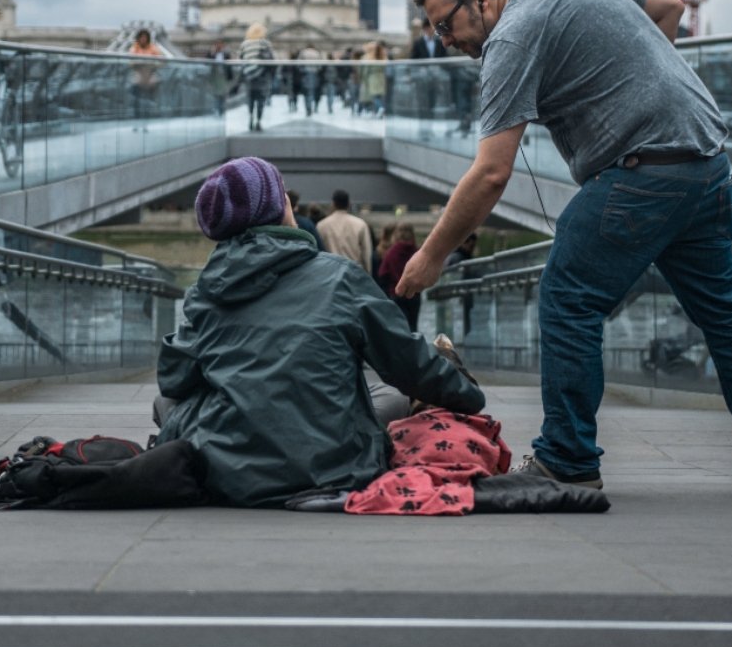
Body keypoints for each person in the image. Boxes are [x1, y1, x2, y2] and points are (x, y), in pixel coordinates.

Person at [396, 0, 732, 496]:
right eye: (435, 34)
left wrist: (429, 256)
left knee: (568, 296)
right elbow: (668, 6)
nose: (444, 42)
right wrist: (637, 90)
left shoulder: (511, 36)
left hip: (642, 173)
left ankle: (567, 459)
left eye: (446, 26)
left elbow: (492, 173)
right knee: (727, 313)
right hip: (707, 166)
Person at [153, 156, 485, 507]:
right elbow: (408, 362)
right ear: (280, 206)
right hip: (336, 466)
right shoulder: (341, 276)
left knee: (165, 403)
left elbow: (173, 381)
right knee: (390, 396)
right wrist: (469, 397)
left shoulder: (206, 290)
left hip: (228, 473)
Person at [316, 189, 373, 273]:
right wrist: (368, 272)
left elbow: (318, 252)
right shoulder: (360, 224)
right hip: (353, 272)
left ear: (333, 204)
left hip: (330, 272)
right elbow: (366, 253)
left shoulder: (321, 225)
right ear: (348, 204)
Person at [377, 222, 421, 331]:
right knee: (413, 327)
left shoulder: (391, 253)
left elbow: (382, 273)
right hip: (414, 295)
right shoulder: (417, 252)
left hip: (396, 294)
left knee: (399, 328)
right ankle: (414, 346)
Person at [238, 22, 274, 132]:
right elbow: (271, 60)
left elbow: (241, 59)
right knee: (260, 100)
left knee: (250, 99)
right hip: (261, 76)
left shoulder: (244, 44)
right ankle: (258, 121)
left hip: (248, 76)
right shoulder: (265, 43)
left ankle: (250, 118)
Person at [446, 231, 479, 335]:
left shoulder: (457, 257)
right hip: (461, 298)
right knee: (462, 327)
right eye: (471, 245)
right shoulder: (459, 258)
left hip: (462, 298)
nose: (472, 249)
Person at [129, 27, 164, 120]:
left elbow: (161, 60)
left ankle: (149, 114)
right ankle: (137, 115)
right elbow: (130, 61)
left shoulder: (153, 48)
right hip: (139, 74)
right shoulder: (134, 47)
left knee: (150, 96)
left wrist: (152, 64)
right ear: (139, 38)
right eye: (141, 37)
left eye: (145, 37)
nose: (143, 39)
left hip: (150, 74)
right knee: (136, 95)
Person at [206, 39, 232, 117]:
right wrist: (212, 52)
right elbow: (207, 60)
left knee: (223, 94)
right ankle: (217, 109)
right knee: (216, 94)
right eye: (218, 45)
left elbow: (229, 65)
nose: (219, 46)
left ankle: (222, 109)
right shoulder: (212, 54)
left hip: (223, 76)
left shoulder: (226, 54)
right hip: (215, 77)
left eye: (221, 45)